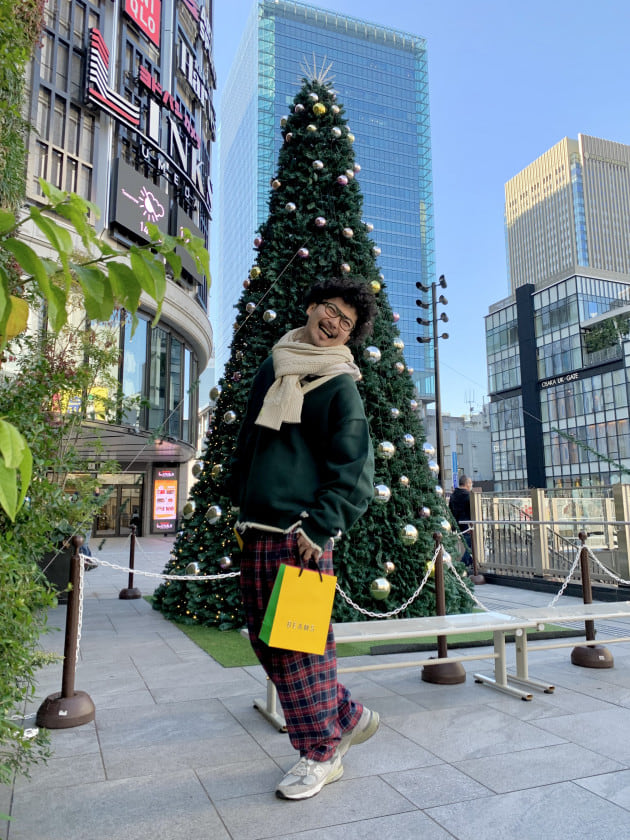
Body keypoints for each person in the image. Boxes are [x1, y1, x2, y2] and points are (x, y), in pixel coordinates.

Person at [229, 277, 380, 800]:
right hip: (257, 529)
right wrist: (240, 500)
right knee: (266, 641)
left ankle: (321, 752)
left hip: (301, 538)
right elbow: (250, 439)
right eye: (331, 310)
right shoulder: (275, 365)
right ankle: (348, 715)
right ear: (312, 306)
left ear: (349, 336)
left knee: (298, 648)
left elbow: (355, 467)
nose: (334, 323)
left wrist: (320, 525)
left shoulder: (339, 385)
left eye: (346, 322)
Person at [448, 474, 474, 568]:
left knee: (467, 545)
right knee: (471, 545)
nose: (471, 485)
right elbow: (471, 511)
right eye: (471, 483)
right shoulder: (468, 495)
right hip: (467, 525)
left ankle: (468, 564)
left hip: (456, 524)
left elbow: (450, 510)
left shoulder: (453, 495)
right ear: (467, 484)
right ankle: (463, 565)